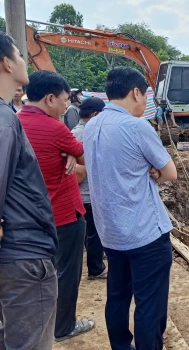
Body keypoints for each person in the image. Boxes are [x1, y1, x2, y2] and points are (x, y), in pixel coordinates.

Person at [83, 66, 177, 350]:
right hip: (145, 233)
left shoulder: (91, 126)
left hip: (110, 232)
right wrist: (154, 171)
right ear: (136, 92)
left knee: (118, 296)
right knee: (149, 304)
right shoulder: (137, 127)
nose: (146, 102)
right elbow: (170, 172)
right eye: (146, 95)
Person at [17, 70, 94, 342]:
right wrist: (73, 158)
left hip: (30, 218)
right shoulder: (55, 128)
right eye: (64, 100)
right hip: (64, 214)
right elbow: (89, 159)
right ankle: (64, 326)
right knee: (68, 273)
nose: (66, 106)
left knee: (41, 276)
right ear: (50, 98)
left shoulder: (15, 122)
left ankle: (42, 324)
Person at [0, 32, 58, 350]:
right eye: (20, 56)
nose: (25, 61)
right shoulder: (4, 122)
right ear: (6, 64)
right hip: (22, 257)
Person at [71, 97, 108, 280]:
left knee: (86, 232)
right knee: (95, 232)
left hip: (76, 193)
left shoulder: (72, 132)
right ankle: (96, 268)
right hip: (90, 192)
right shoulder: (91, 133)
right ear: (94, 114)